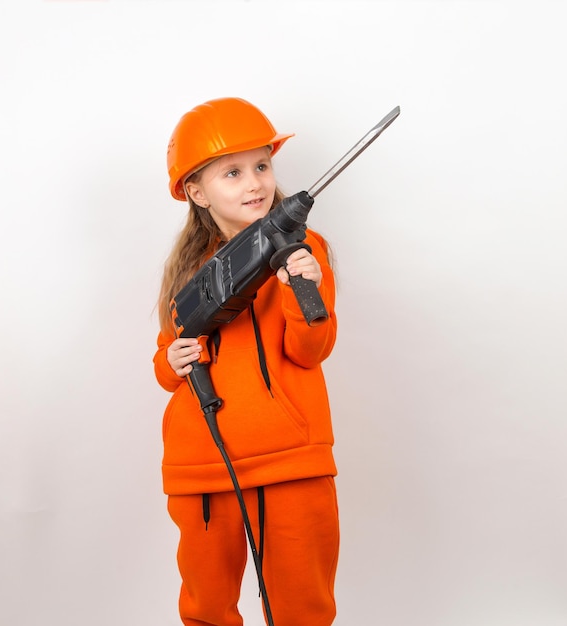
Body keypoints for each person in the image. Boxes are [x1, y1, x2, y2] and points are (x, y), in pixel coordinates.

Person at [153, 97, 340, 626]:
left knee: (301, 608)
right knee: (207, 609)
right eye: (232, 172)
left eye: (262, 165)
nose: (254, 182)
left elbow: (310, 350)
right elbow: (165, 366)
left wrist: (302, 287)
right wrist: (171, 360)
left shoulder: (305, 246)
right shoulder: (188, 271)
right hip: (202, 470)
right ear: (195, 191)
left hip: (290, 462)